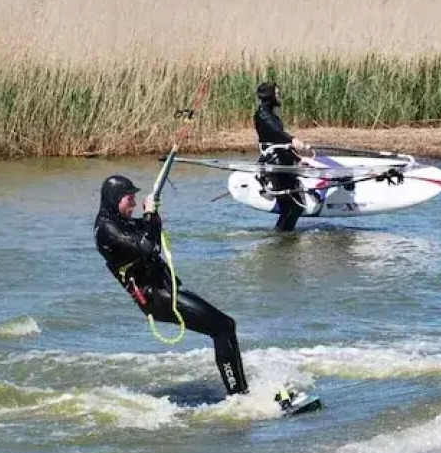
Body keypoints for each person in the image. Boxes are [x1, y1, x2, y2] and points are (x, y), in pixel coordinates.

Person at [93, 174, 250, 397]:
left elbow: (151, 236)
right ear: (115, 198)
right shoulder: (107, 229)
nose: (134, 203)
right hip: (156, 296)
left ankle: (241, 391)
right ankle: (238, 396)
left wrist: (152, 216)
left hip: (165, 289)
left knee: (225, 326)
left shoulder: (118, 222)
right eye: (129, 199)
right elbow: (147, 247)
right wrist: (149, 213)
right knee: (223, 327)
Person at [254, 81, 313, 232]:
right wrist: (293, 140)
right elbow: (276, 133)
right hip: (275, 166)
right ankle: (281, 238)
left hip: (283, 164)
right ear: (270, 96)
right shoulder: (262, 115)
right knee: (293, 207)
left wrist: (299, 159)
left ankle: (282, 237)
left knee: (292, 208)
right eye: (277, 94)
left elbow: (279, 141)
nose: (279, 96)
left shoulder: (271, 115)